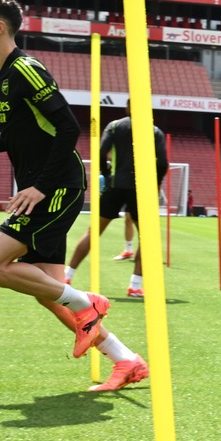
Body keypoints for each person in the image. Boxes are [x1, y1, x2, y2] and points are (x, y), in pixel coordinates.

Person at [0, 0, 146, 393]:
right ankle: (127, 360)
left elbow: (68, 128)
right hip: (41, 187)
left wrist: (39, 186)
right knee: (49, 293)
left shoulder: (27, 69)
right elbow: (17, 137)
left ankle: (89, 302)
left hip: (55, 187)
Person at [71, 110, 164, 299]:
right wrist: (156, 184)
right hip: (141, 188)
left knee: (92, 232)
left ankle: (67, 276)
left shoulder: (114, 126)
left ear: (127, 108)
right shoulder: (154, 131)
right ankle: (135, 286)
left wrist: (106, 175)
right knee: (146, 239)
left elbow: (100, 152)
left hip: (115, 185)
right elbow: (162, 162)